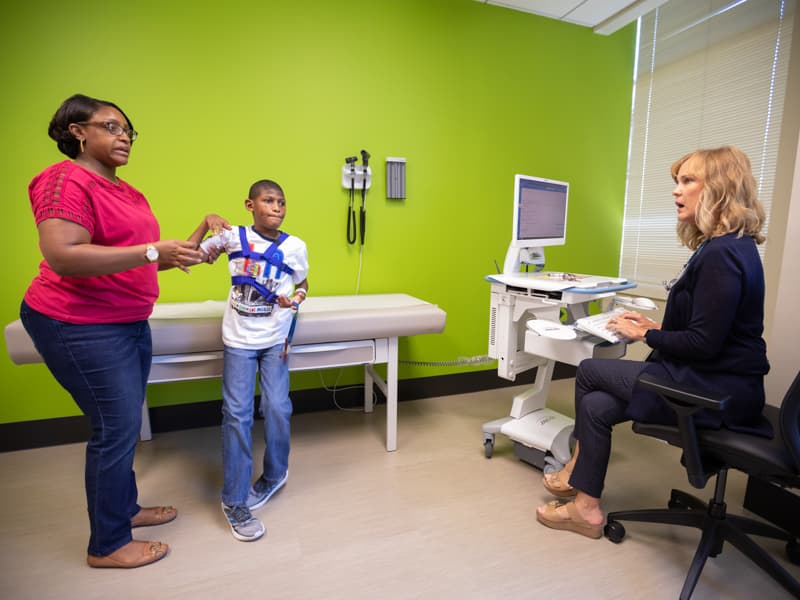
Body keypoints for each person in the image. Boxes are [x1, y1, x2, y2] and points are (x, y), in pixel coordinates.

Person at [19, 93, 229, 568]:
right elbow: (64, 255)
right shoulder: (64, 179)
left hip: (125, 320)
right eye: (112, 127)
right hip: (76, 321)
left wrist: (195, 243)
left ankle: (124, 510)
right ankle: (107, 545)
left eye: (128, 130)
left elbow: (141, 258)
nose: (124, 137)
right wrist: (155, 251)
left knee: (123, 424)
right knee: (115, 429)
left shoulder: (128, 192)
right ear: (78, 132)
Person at [536, 145, 770, 539]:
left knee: (591, 371)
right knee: (596, 406)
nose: (677, 191)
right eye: (677, 182)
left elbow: (704, 345)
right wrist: (654, 324)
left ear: (719, 188)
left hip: (715, 390)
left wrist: (645, 333)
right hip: (718, 379)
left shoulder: (721, 254)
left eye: (688, 181)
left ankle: (576, 471)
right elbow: (711, 329)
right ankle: (586, 509)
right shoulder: (732, 246)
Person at [192, 179, 309, 542]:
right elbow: (187, 255)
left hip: (276, 339)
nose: (276, 207)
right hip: (239, 340)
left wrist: (298, 299)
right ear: (250, 204)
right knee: (237, 414)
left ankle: (275, 474)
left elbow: (304, 283)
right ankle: (235, 500)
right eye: (269, 200)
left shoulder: (295, 247)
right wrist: (204, 221)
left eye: (282, 202)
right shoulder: (231, 237)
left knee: (277, 407)